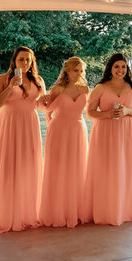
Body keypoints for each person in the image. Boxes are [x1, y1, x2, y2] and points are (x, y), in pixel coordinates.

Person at [0, 46, 46, 233]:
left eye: (28, 59)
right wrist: (10, 87)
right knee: (7, 168)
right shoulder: (2, 79)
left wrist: (47, 102)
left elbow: (39, 104)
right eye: (21, 59)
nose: (25, 62)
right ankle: (4, 215)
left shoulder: (38, 80)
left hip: (30, 126)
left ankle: (26, 213)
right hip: (8, 126)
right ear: (14, 61)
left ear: (32, 61)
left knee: (28, 166)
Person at [81, 53, 132, 226]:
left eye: (123, 66)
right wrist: (107, 114)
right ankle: (106, 210)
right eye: (117, 66)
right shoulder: (101, 87)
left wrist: (127, 111)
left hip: (128, 133)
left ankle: (127, 209)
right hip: (105, 132)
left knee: (126, 167)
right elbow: (89, 113)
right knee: (107, 168)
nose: (120, 70)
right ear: (110, 68)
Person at [37, 57, 90, 228]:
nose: (79, 73)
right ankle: (57, 211)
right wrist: (51, 126)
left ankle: (75, 210)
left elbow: (87, 110)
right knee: (58, 168)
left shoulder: (85, 89)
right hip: (59, 130)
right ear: (67, 70)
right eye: (76, 70)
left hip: (78, 130)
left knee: (76, 167)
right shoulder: (58, 88)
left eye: (82, 70)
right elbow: (47, 111)